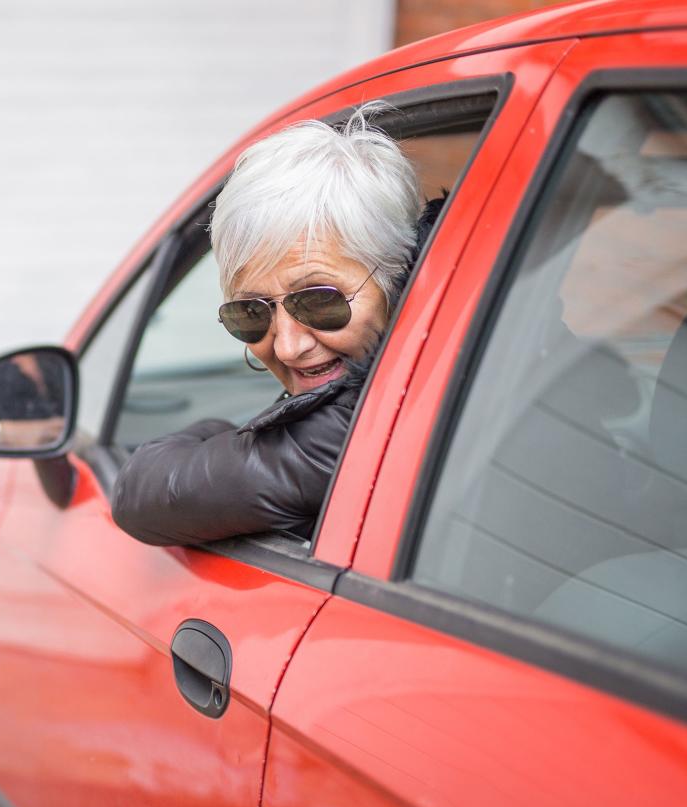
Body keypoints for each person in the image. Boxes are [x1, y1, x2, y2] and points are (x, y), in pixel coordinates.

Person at [111, 107, 441, 547]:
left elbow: (140, 493)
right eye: (252, 312)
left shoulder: (373, 424)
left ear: (400, 281)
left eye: (320, 301)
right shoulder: (434, 375)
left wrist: (217, 433)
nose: (287, 347)